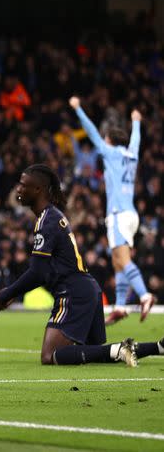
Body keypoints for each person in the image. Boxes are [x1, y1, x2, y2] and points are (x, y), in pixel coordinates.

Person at [0, 164, 164, 366]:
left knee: (50, 355)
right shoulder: (51, 216)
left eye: (23, 185)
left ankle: (121, 349)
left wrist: (5, 296)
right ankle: (158, 347)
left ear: (38, 190)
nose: (18, 189)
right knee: (98, 354)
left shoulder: (47, 221)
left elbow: (38, 272)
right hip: (87, 289)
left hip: (72, 293)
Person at [69, 97, 155, 323]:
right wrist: (136, 122)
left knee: (123, 259)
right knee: (117, 261)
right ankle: (120, 306)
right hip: (131, 215)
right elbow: (135, 140)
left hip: (118, 214)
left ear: (109, 140)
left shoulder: (111, 152)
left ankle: (145, 295)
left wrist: (78, 108)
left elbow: (91, 131)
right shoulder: (131, 154)